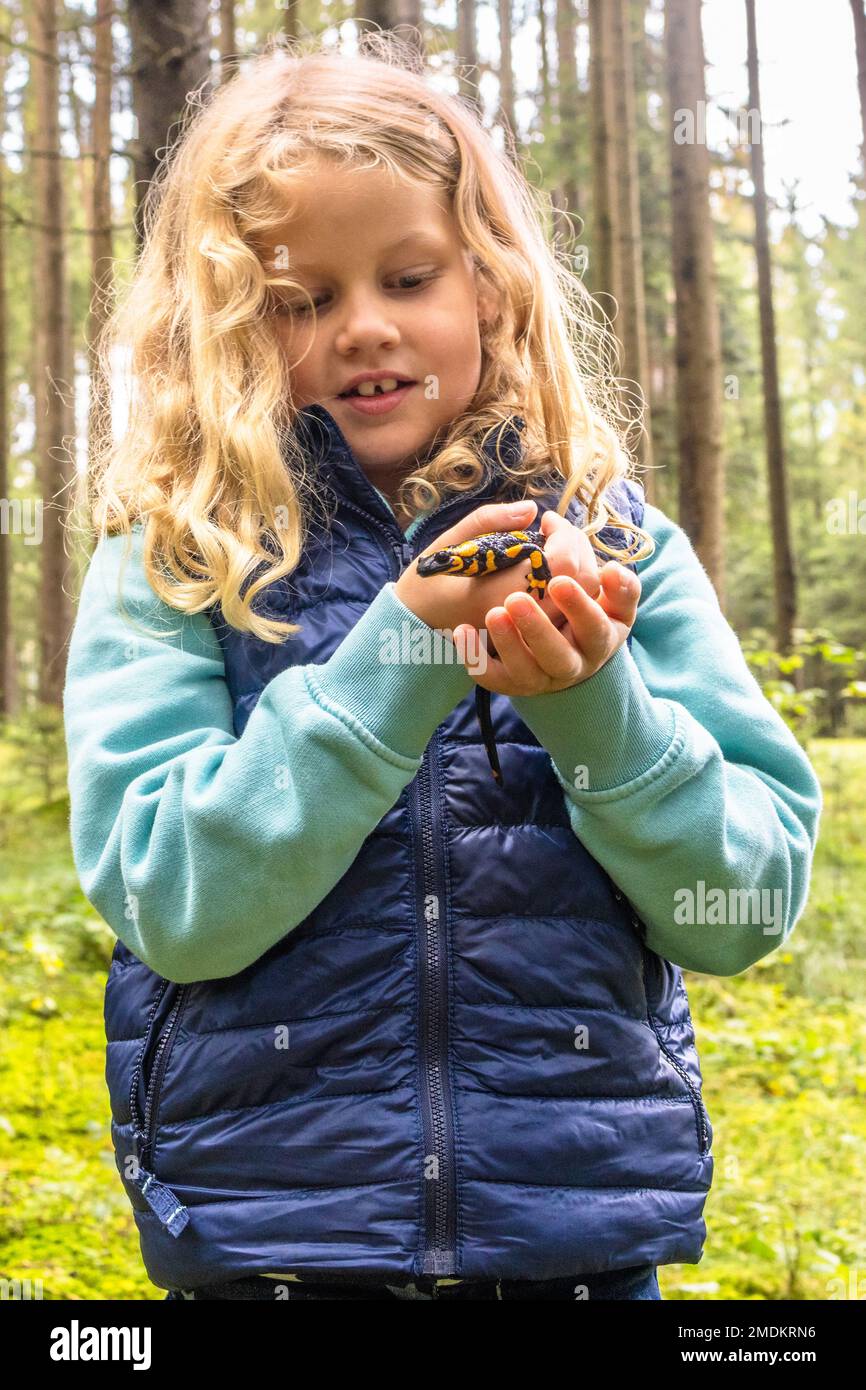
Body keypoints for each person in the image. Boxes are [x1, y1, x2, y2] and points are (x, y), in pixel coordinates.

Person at [62, 34, 822, 1302]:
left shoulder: (616, 542)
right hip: (270, 1243)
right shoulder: (179, 563)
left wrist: (593, 706)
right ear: (228, 328)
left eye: (408, 276)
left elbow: (738, 907)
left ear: (491, 286)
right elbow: (174, 904)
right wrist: (406, 650)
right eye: (302, 299)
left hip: (570, 1242)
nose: (363, 328)